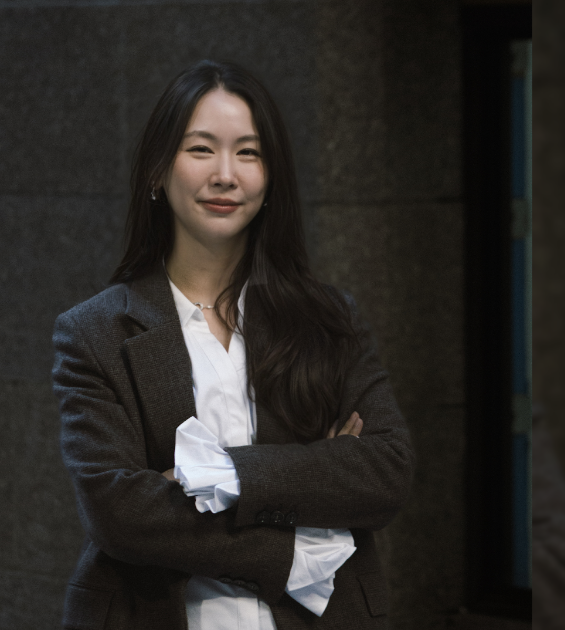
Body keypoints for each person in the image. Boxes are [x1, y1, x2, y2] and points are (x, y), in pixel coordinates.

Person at [51, 60, 415, 630]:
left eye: (249, 153)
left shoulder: (326, 319)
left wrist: (216, 475)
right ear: (157, 170)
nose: (226, 174)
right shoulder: (95, 332)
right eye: (201, 149)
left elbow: (385, 472)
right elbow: (120, 515)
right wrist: (295, 544)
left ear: (271, 178)